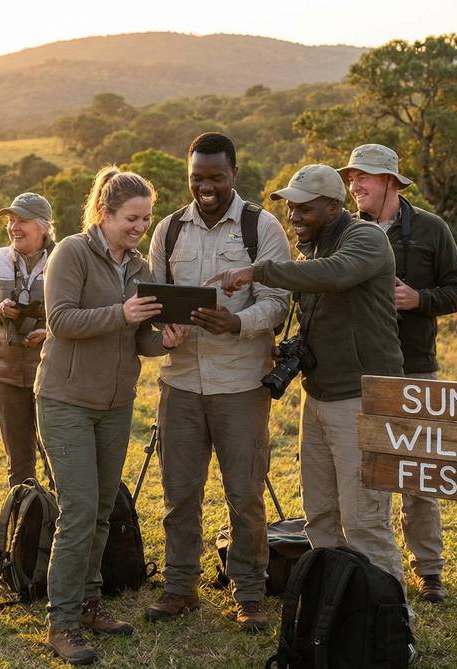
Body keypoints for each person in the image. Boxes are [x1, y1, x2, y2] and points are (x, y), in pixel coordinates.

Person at [207, 165, 407, 589]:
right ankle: (335, 612)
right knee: (320, 517)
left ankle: (391, 621)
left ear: (334, 206)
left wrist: (256, 271)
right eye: (291, 208)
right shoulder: (312, 252)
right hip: (318, 397)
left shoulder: (365, 238)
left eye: (305, 209)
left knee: (365, 521)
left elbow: (334, 275)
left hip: (363, 398)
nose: (294, 217)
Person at [36, 166, 187, 665]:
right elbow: (60, 321)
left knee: (102, 507)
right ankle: (61, 624)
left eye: (146, 218)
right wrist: (120, 314)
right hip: (66, 400)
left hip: (115, 404)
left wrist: (160, 339)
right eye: (131, 218)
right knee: (78, 510)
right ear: (104, 212)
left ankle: (90, 602)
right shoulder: (72, 253)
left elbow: (137, 337)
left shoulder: (140, 266)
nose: (140, 227)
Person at [143, 132, 291, 632]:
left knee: (244, 495)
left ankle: (248, 592)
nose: (205, 187)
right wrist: (162, 326)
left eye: (215, 177)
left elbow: (278, 299)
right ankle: (179, 586)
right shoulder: (167, 230)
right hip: (180, 382)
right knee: (179, 492)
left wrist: (240, 323)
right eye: (197, 178)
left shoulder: (261, 227)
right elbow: (153, 298)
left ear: (234, 174)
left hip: (241, 385)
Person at [338, 144, 457, 604]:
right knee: (364, 474)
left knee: (418, 475)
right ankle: (363, 565)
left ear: (391, 181)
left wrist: (419, 300)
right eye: (351, 177)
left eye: (365, 177)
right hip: (357, 373)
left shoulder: (431, 229)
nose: (355, 185)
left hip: (415, 369)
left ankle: (428, 569)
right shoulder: (347, 231)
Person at [0, 192, 56, 487]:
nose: (14, 227)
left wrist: (49, 333)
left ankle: (64, 528)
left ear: (44, 226)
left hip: (51, 374)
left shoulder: (64, 257)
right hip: (6, 375)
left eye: (22, 221)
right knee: (19, 464)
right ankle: (26, 525)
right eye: (11, 220)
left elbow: (79, 312)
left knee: (58, 459)